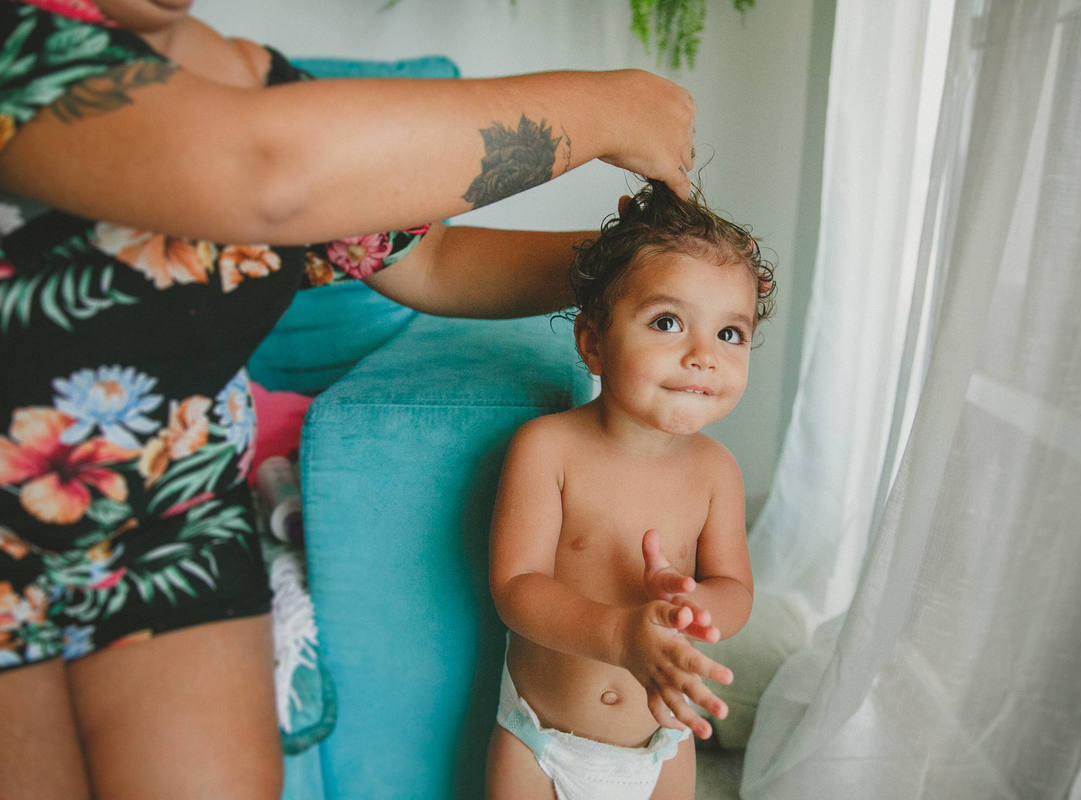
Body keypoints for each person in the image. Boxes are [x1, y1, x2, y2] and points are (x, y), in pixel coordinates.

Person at [0, 1, 698, 797]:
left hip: (175, 516)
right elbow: (266, 172)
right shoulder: (20, 45)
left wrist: (654, 275)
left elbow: (431, 261)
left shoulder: (250, 75)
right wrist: (608, 107)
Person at [486, 179, 775, 799]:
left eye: (731, 334)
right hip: (540, 741)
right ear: (593, 341)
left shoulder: (716, 471)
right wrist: (621, 634)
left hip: (660, 746)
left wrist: (693, 609)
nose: (704, 356)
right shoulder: (548, 448)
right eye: (668, 322)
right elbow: (515, 588)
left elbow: (737, 590)